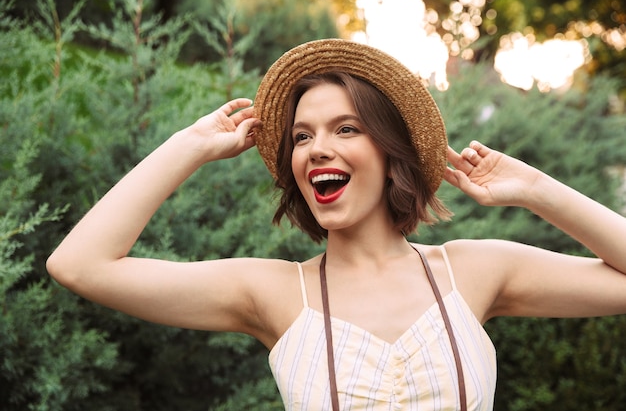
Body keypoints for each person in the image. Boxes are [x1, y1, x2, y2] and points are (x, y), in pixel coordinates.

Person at [46, 39, 626, 411]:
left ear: (390, 151)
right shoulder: (272, 293)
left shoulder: (475, 271)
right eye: (302, 136)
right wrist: (188, 146)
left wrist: (537, 191)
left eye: (346, 129)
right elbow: (79, 265)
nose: (317, 149)